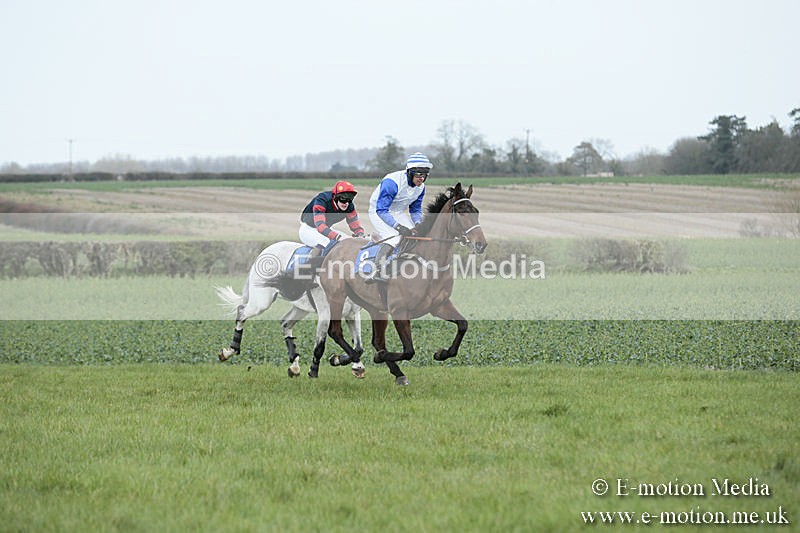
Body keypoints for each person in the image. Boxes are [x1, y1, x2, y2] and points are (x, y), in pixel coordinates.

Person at [365, 152, 432, 282]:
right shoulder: (392, 182)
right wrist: (398, 227)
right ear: (409, 172)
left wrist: (418, 224)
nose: (421, 178)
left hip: (398, 212)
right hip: (378, 211)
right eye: (418, 174)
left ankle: (403, 264)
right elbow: (382, 210)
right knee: (394, 238)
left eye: (424, 175)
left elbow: (416, 209)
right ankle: (377, 271)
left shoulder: (421, 188)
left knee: (415, 236)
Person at [299, 180, 365, 267]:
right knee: (325, 243)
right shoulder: (322, 200)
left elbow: (355, 225)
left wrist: (360, 234)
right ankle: (308, 270)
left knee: (347, 242)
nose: (346, 203)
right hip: (309, 229)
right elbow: (320, 226)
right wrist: (337, 237)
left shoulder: (350, 206)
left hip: (326, 228)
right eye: (343, 198)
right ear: (335, 196)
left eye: (350, 198)